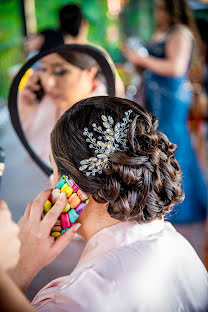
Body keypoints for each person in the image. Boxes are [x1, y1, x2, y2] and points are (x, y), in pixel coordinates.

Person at [8, 96, 208, 311]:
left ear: (71, 185)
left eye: (53, 170)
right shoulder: (175, 243)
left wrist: (17, 273)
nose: (50, 182)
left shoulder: (78, 298)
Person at [123, 0, 207, 227]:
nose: (157, 12)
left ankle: (181, 204)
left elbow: (176, 67)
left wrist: (141, 59)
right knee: (158, 141)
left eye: (161, 7)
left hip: (171, 96)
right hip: (155, 93)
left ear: (173, 8)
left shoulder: (181, 33)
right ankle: (162, 196)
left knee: (172, 141)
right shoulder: (163, 31)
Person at [18, 50, 106, 164]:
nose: (49, 83)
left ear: (89, 72)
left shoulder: (103, 121)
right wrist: (26, 111)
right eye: (43, 69)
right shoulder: (48, 101)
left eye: (60, 71)